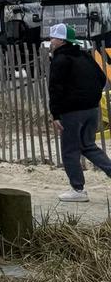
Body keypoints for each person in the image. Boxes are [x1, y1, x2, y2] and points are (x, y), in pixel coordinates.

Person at [47, 23, 111, 202]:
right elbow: (101, 78)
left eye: (53, 38)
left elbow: (55, 89)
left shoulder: (60, 60)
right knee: (88, 146)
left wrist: (56, 114)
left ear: (62, 41)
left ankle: (78, 189)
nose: (51, 41)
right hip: (92, 110)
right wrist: (90, 96)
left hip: (72, 113)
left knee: (70, 150)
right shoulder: (84, 56)